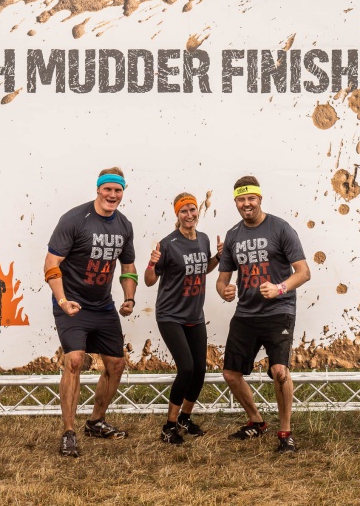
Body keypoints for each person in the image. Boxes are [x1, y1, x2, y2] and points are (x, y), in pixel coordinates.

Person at [44, 167, 138, 458]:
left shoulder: (124, 225)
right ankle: (69, 432)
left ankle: (96, 422)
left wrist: (130, 298)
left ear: (123, 192)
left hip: (103, 305)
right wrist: (62, 301)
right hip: (72, 304)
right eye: (107, 189)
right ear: (98, 189)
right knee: (74, 361)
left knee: (116, 365)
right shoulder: (75, 219)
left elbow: (128, 267)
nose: (112, 194)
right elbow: (51, 264)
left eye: (118, 190)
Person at [216, 175, 311, 454]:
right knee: (230, 374)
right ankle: (257, 422)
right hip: (246, 313)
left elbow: (303, 272)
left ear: (259, 198)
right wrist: (224, 291)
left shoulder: (280, 228)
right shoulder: (233, 235)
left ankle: (285, 433)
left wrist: (280, 288)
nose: (246, 204)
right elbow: (222, 280)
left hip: (279, 311)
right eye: (241, 199)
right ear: (235, 202)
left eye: (251, 198)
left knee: (279, 372)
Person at [144, 193, 223, 445]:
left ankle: (185, 419)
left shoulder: (204, 239)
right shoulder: (168, 244)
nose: (189, 215)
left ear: (197, 211)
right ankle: (169, 426)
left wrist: (218, 257)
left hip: (194, 315)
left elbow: (203, 267)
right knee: (186, 368)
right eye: (183, 211)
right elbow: (149, 281)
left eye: (192, 209)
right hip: (170, 315)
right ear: (177, 215)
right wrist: (151, 264)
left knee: (199, 370)